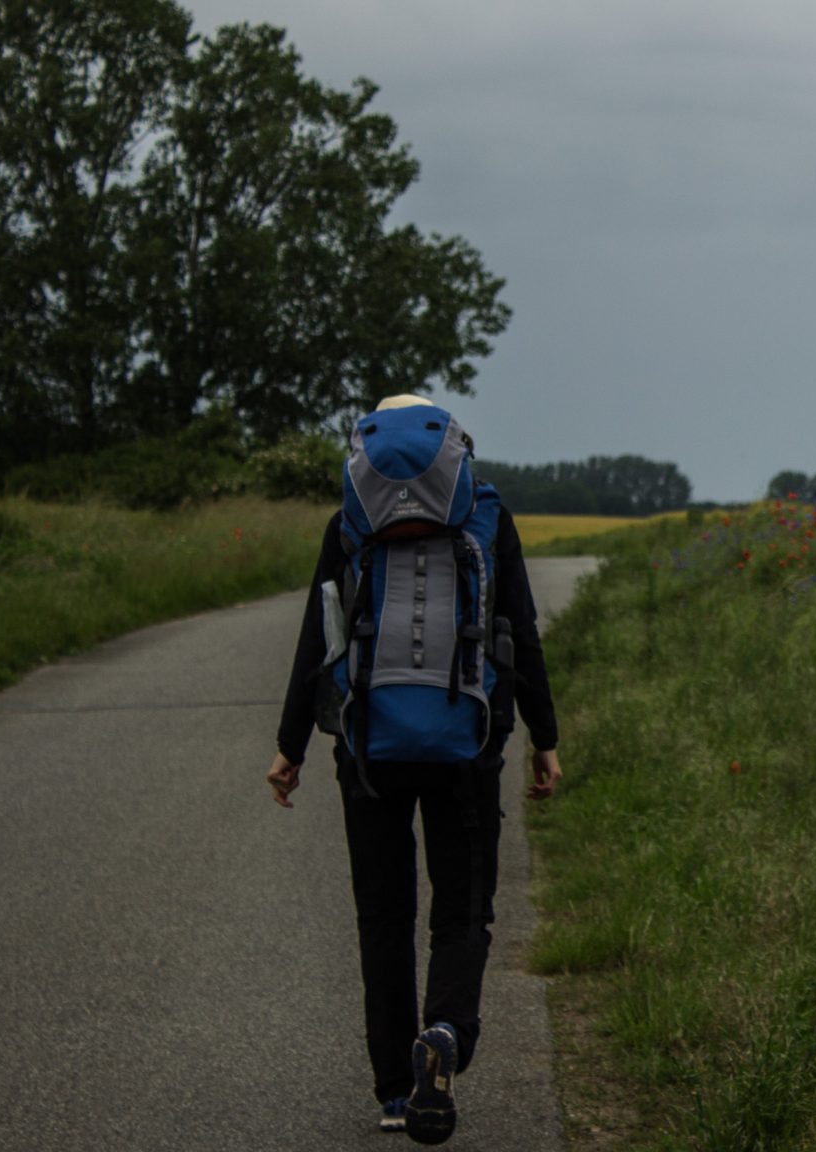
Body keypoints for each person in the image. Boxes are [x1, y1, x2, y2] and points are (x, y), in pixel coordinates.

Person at [266, 394, 563, 1143]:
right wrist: (544, 736)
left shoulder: (352, 522)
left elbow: (319, 634)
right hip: (468, 743)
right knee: (462, 909)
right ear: (450, 443)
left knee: (384, 916)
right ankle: (446, 1034)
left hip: (368, 748)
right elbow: (519, 632)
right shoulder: (485, 516)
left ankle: (397, 1090)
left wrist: (291, 746)